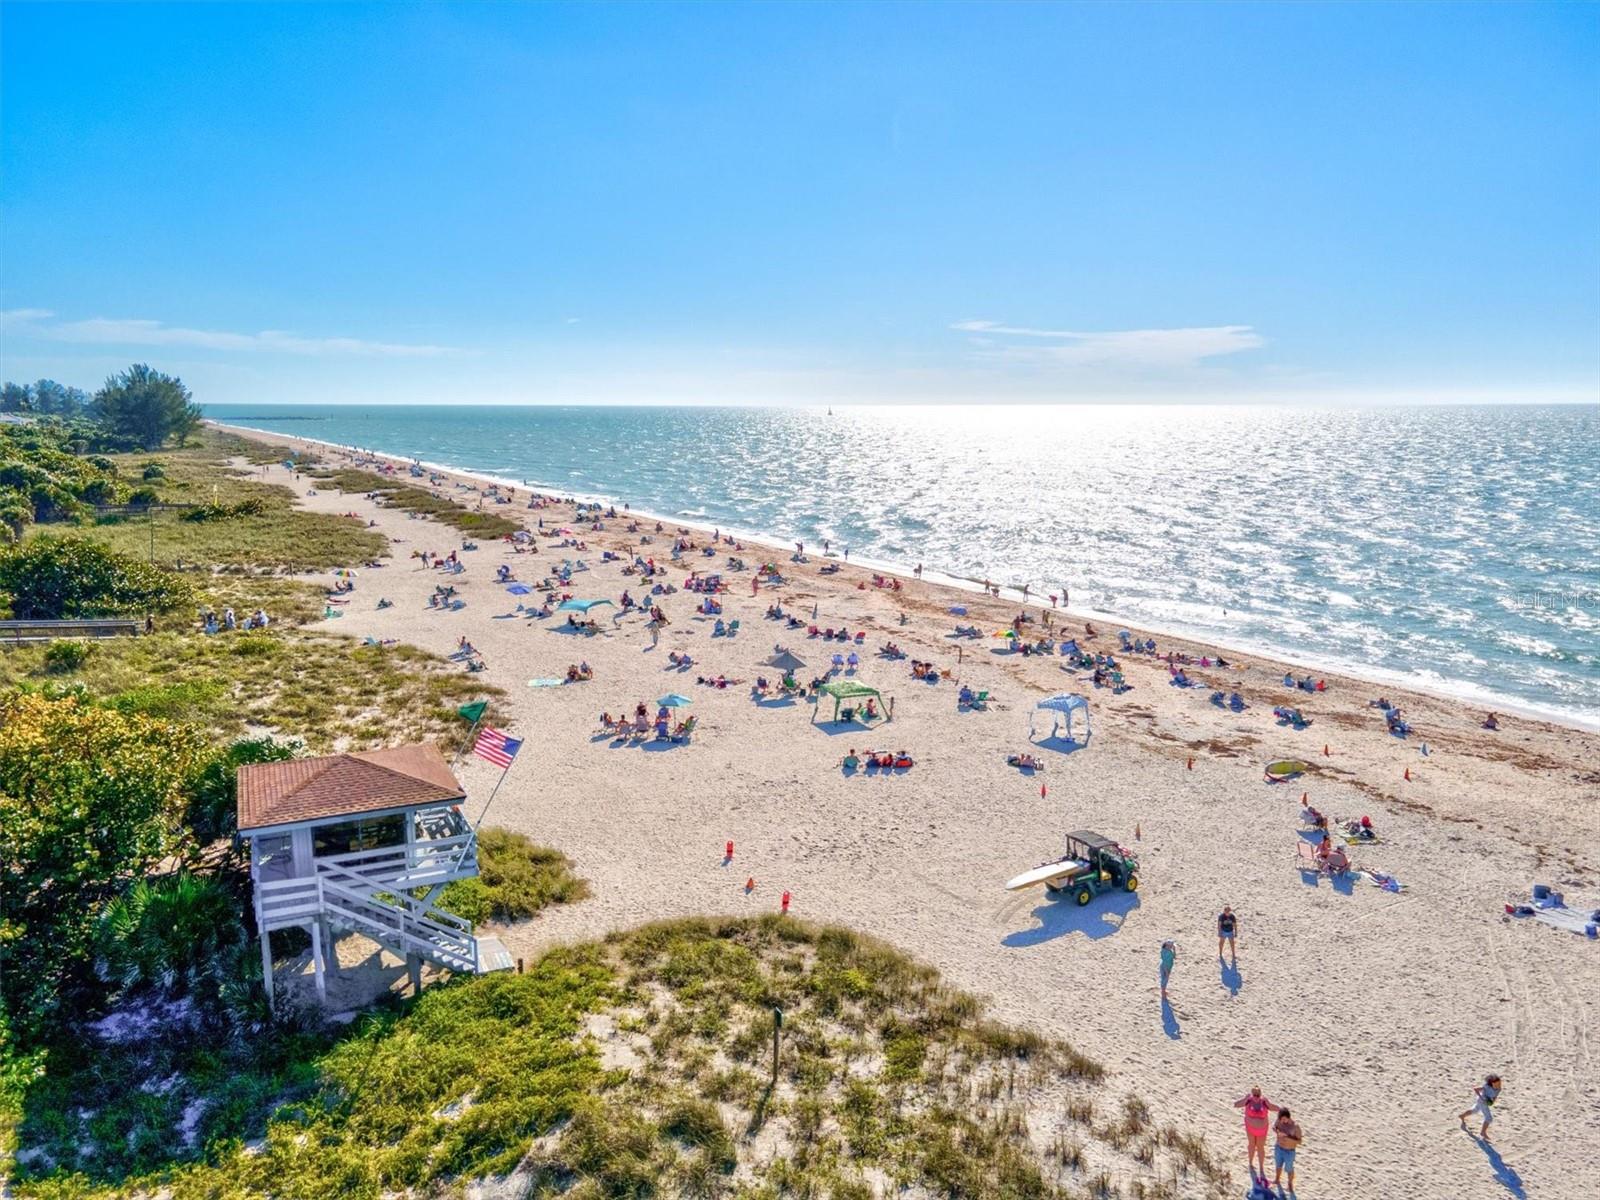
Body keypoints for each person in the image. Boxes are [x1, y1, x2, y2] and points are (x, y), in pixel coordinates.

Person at [1233, 1088, 1280, 1181]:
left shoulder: (1264, 1102)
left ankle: (1261, 1167)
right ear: (1251, 1094)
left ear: (1260, 1094)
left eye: (1258, 1095)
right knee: (1251, 1145)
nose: (1256, 1097)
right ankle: (1250, 1163)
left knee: (1260, 1147)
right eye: (1254, 1095)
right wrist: (1244, 1099)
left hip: (1262, 1129)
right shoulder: (1248, 1101)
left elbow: (1275, 1108)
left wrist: (1274, 1106)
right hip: (1250, 1128)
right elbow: (1236, 1105)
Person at [1458, 1074, 1502, 1140]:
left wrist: (1492, 1101)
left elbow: (1495, 1096)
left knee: (1474, 1110)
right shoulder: (1487, 1086)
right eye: (1496, 1084)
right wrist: (1482, 1098)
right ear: (1492, 1083)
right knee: (1489, 1118)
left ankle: (1462, 1116)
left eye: (1499, 1083)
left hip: (1484, 1101)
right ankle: (1483, 1132)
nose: (1498, 1085)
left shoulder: (1499, 1089)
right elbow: (1476, 1089)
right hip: (1482, 1101)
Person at [1272, 1108, 1302, 1193]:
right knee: (1278, 1165)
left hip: (1289, 1151)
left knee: (1289, 1168)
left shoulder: (1295, 1126)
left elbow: (1299, 1141)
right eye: (1281, 1119)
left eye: (1284, 1119)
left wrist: (1288, 1138)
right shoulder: (1279, 1121)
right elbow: (1274, 1127)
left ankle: (1290, 1184)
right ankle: (1277, 1179)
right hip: (1279, 1147)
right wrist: (1277, 1132)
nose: (1282, 1121)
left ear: (1288, 1117)